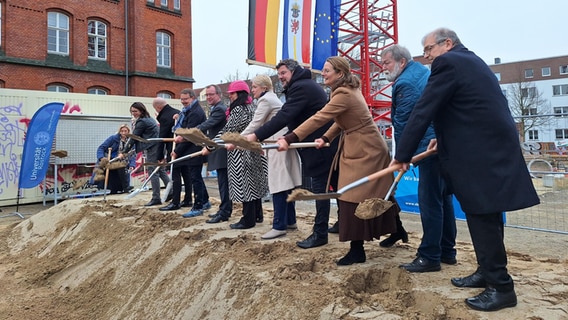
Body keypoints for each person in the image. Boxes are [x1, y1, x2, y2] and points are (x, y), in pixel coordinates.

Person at [389, 28, 540, 311]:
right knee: (488, 214)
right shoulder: (471, 60)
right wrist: (441, 137)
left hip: (479, 153)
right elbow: (466, 107)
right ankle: (487, 272)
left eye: (429, 49)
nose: (427, 56)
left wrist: (403, 154)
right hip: (490, 147)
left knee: (482, 214)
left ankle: (501, 287)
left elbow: (425, 109)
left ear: (448, 43)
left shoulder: (448, 63)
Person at [276, 56, 400, 265]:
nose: (322, 73)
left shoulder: (344, 93)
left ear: (340, 74)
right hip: (358, 146)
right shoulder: (343, 91)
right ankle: (398, 230)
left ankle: (357, 251)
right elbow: (340, 120)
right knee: (373, 192)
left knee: (350, 196)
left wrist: (290, 138)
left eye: (327, 70)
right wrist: (326, 137)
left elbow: (319, 117)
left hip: (367, 149)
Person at [245, 59, 338, 249]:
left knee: (321, 190)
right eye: (278, 74)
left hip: (318, 145)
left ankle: (320, 233)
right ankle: (341, 223)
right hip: (317, 143)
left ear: (294, 72)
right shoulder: (304, 85)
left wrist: (255, 135)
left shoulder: (301, 87)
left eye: (283, 73)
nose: (280, 78)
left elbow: (285, 116)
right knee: (333, 185)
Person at [380, 44, 457, 272]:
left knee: (430, 202)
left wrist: (404, 156)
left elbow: (405, 123)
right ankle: (447, 251)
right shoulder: (421, 71)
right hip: (438, 143)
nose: (383, 68)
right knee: (443, 199)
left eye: (386, 63)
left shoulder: (405, 84)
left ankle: (429, 256)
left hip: (427, 147)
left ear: (401, 62)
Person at [238, 75, 302, 239]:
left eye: (254, 87)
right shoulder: (272, 99)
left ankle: (279, 225)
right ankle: (290, 220)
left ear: (264, 87)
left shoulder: (265, 100)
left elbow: (256, 124)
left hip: (277, 145)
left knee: (279, 183)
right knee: (286, 182)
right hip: (279, 143)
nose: (252, 91)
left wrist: (237, 139)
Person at [216, 80, 268, 229]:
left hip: (241, 153)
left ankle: (248, 219)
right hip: (253, 150)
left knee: (246, 186)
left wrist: (210, 143)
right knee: (255, 184)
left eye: (232, 93)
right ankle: (258, 215)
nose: (230, 96)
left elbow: (228, 130)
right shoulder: (252, 107)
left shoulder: (239, 109)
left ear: (239, 94)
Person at [171, 89, 211, 217]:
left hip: (195, 148)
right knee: (196, 177)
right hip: (190, 147)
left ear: (193, 98)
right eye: (181, 99)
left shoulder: (195, 113)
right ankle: (205, 201)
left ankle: (198, 206)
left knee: (195, 178)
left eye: (186, 99)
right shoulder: (187, 111)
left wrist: (176, 151)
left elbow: (190, 135)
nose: (183, 102)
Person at [198, 85, 233, 223]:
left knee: (224, 183)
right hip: (217, 150)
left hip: (221, 151)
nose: (208, 98)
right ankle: (224, 209)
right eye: (206, 95)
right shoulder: (216, 108)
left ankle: (224, 211)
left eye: (210, 94)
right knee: (222, 182)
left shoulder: (220, 109)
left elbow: (208, 124)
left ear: (218, 94)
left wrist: (191, 132)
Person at [120, 102, 162, 206]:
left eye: (135, 111)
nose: (133, 113)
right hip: (156, 146)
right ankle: (170, 191)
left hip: (152, 147)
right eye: (132, 111)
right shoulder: (149, 118)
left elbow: (133, 138)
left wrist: (124, 152)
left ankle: (156, 198)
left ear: (141, 111)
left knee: (153, 171)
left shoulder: (142, 122)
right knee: (159, 170)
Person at [151, 97, 180, 206]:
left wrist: (159, 156)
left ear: (158, 107)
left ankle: (175, 200)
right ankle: (187, 199)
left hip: (173, 148)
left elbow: (162, 138)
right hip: (184, 147)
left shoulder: (164, 116)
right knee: (185, 174)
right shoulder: (177, 112)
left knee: (175, 175)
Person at [96, 124, 136, 194]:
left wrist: (132, 165)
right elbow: (101, 148)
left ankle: (125, 187)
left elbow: (132, 154)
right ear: (119, 132)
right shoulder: (113, 138)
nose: (123, 133)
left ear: (128, 132)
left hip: (124, 162)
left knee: (123, 169)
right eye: (122, 131)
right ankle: (124, 187)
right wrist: (101, 158)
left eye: (125, 131)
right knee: (119, 168)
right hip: (112, 160)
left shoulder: (131, 141)